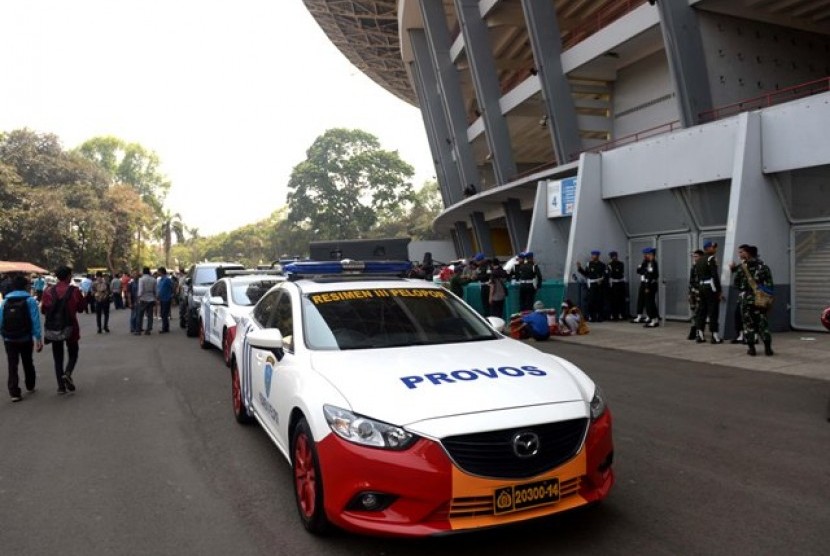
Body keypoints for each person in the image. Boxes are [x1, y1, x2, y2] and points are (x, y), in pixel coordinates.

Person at [41, 266, 85, 394]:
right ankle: (68, 372)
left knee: (57, 356)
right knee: (73, 352)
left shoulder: (48, 291)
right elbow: (82, 308)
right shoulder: (74, 291)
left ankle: (61, 387)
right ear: (68, 276)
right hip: (71, 326)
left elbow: (44, 310)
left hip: (54, 328)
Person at [1, 275, 43, 402]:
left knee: (12, 365)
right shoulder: (30, 301)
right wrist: (38, 338)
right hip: (25, 337)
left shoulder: (5, 302)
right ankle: (30, 384)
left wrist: (4, 335)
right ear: (26, 286)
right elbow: (35, 320)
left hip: (9, 339)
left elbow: (1, 321)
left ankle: (14, 392)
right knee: (27, 361)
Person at [730, 244, 774, 356]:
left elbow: (736, 284)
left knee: (748, 324)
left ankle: (751, 349)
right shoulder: (763, 266)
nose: (739, 254)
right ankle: (768, 348)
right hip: (760, 300)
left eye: (741, 252)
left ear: (748, 253)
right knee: (763, 324)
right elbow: (769, 285)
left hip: (746, 300)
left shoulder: (742, 267)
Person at [694, 241, 724, 344]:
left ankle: (700, 334)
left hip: (701, 286)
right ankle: (714, 336)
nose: (715, 249)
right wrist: (719, 291)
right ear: (707, 249)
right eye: (713, 247)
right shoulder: (711, 259)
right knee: (713, 311)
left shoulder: (699, 260)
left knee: (702, 311)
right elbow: (714, 275)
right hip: (710, 287)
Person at [631, 247, 660, 327]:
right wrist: (644, 271)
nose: (645, 256)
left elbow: (649, 276)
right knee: (648, 302)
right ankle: (653, 319)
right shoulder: (646, 262)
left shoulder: (652, 263)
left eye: (647, 254)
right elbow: (639, 270)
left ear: (651, 254)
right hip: (648, 284)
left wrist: (647, 287)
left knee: (650, 303)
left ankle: (654, 320)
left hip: (650, 285)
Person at [576, 250, 606, 322]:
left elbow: (605, 274)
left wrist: (601, 280)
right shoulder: (589, 264)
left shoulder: (602, 265)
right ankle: (592, 316)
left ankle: (600, 316)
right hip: (591, 285)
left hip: (599, 284)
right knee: (591, 301)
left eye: (594, 255)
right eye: (592, 255)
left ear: (598, 256)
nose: (593, 256)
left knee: (599, 301)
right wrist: (580, 268)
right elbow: (586, 274)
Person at [136, 266, 157, 335]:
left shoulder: (141, 279)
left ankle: (138, 330)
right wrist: (155, 298)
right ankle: (148, 330)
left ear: (143, 272)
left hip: (143, 298)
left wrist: (138, 298)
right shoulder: (153, 279)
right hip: (151, 298)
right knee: (150, 315)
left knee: (140, 315)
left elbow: (140, 290)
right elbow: (155, 290)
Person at [687, 250, 703, 340]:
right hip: (693, 292)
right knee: (693, 311)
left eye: (696, 256)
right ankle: (694, 329)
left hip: (700, 292)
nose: (694, 258)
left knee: (699, 312)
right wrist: (689, 293)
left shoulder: (703, 266)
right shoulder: (693, 267)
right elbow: (691, 280)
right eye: (693, 256)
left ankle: (697, 331)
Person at [606, 251, 626, 321]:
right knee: (613, 300)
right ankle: (613, 315)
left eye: (615, 256)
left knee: (620, 300)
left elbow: (619, 272)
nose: (614, 257)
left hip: (620, 284)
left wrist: (613, 270)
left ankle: (620, 314)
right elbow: (609, 274)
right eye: (612, 256)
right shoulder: (609, 264)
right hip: (612, 285)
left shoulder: (621, 264)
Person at [156, 267, 174, 333]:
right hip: (162, 298)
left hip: (166, 298)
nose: (157, 273)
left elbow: (172, 287)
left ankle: (165, 328)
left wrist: (172, 295)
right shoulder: (161, 280)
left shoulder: (167, 279)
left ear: (161, 272)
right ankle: (165, 327)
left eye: (158, 271)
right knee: (163, 314)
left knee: (164, 313)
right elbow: (159, 289)